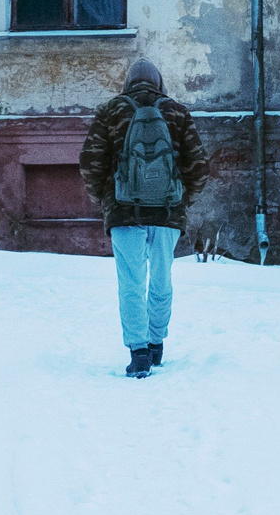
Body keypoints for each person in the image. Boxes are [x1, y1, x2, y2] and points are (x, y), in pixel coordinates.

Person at [78, 56, 209, 377]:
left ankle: (138, 354)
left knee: (131, 283)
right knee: (162, 280)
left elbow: (90, 162)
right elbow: (198, 166)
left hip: (123, 212)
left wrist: (105, 200)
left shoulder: (112, 110)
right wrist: (182, 201)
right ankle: (156, 344)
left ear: (128, 82)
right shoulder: (176, 112)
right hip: (167, 213)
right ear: (159, 81)